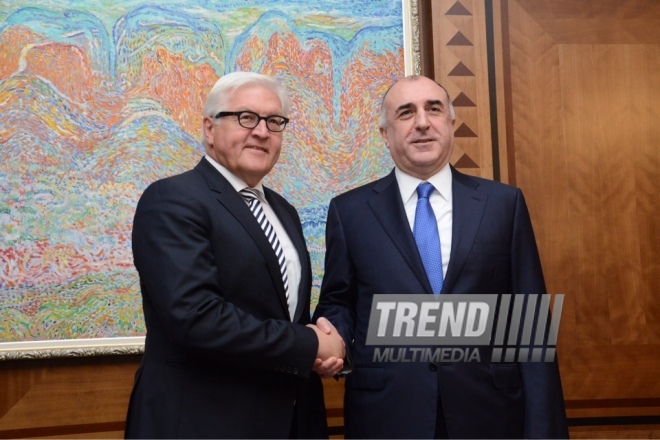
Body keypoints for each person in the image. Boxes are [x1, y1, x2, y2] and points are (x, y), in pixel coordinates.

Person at [313, 75, 569, 438]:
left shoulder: (502, 205)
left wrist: (545, 431)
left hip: (489, 415)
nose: (421, 122)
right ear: (385, 135)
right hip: (387, 415)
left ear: (450, 124)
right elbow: (340, 301)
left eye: (433, 109)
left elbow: (530, 325)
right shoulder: (350, 212)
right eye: (405, 113)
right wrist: (332, 335)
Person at [125, 71, 345, 439]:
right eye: (246, 117)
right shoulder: (172, 199)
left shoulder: (282, 210)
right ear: (210, 129)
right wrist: (309, 345)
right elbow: (195, 317)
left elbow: (287, 313)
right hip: (204, 421)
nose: (261, 131)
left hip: (291, 420)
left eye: (274, 122)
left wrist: (325, 352)